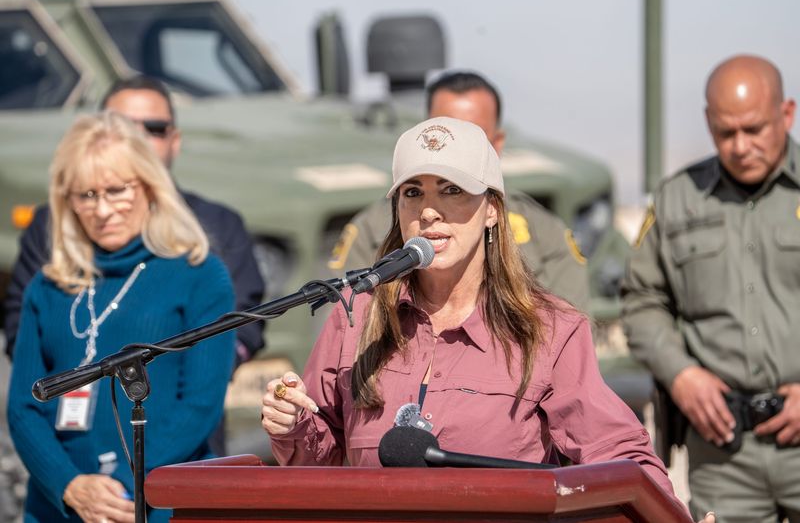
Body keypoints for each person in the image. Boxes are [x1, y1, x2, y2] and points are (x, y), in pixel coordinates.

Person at [261, 116, 710, 520]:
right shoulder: (354, 316)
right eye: (412, 192)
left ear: (493, 210)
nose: (429, 211)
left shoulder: (550, 330)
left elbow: (620, 457)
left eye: (452, 190)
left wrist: (669, 516)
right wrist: (293, 423)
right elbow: (320, 467)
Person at [4, 75, 264, 457]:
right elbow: (23, 341)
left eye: (152, 129)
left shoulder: (217, 229)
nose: (103, 208)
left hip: (174, 455)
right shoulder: (49, 231)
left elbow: (244, 324)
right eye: (120, 126)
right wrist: (71, 482)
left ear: (174, 139)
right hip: (70, 457)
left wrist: (200, 373)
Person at [7, 111, 235, 523]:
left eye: (116, 190)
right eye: (86, 195)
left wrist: (129, 488)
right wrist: (71, 486)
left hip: (155, 504)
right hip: (59, 507)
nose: (102, 209)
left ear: (149, 187)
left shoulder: (199, 274)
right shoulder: (48, 286)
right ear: (67, 201)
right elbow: (24, 406)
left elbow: (200, 405)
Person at [622, 54, 800, 522]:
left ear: (787, 113)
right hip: (724, 450)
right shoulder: (677, 199)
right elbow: (642, 302)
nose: (740, 146)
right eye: (725, 133)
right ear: (708, 122)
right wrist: (681, 374)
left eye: (754, 129)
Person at [328, 71, 590, 311]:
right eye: (444, 133)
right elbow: (345, 325)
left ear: (496, 145)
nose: (453, 150)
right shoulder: (372, 230)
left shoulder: (543, 232)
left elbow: (568, 335)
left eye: (472, 137)